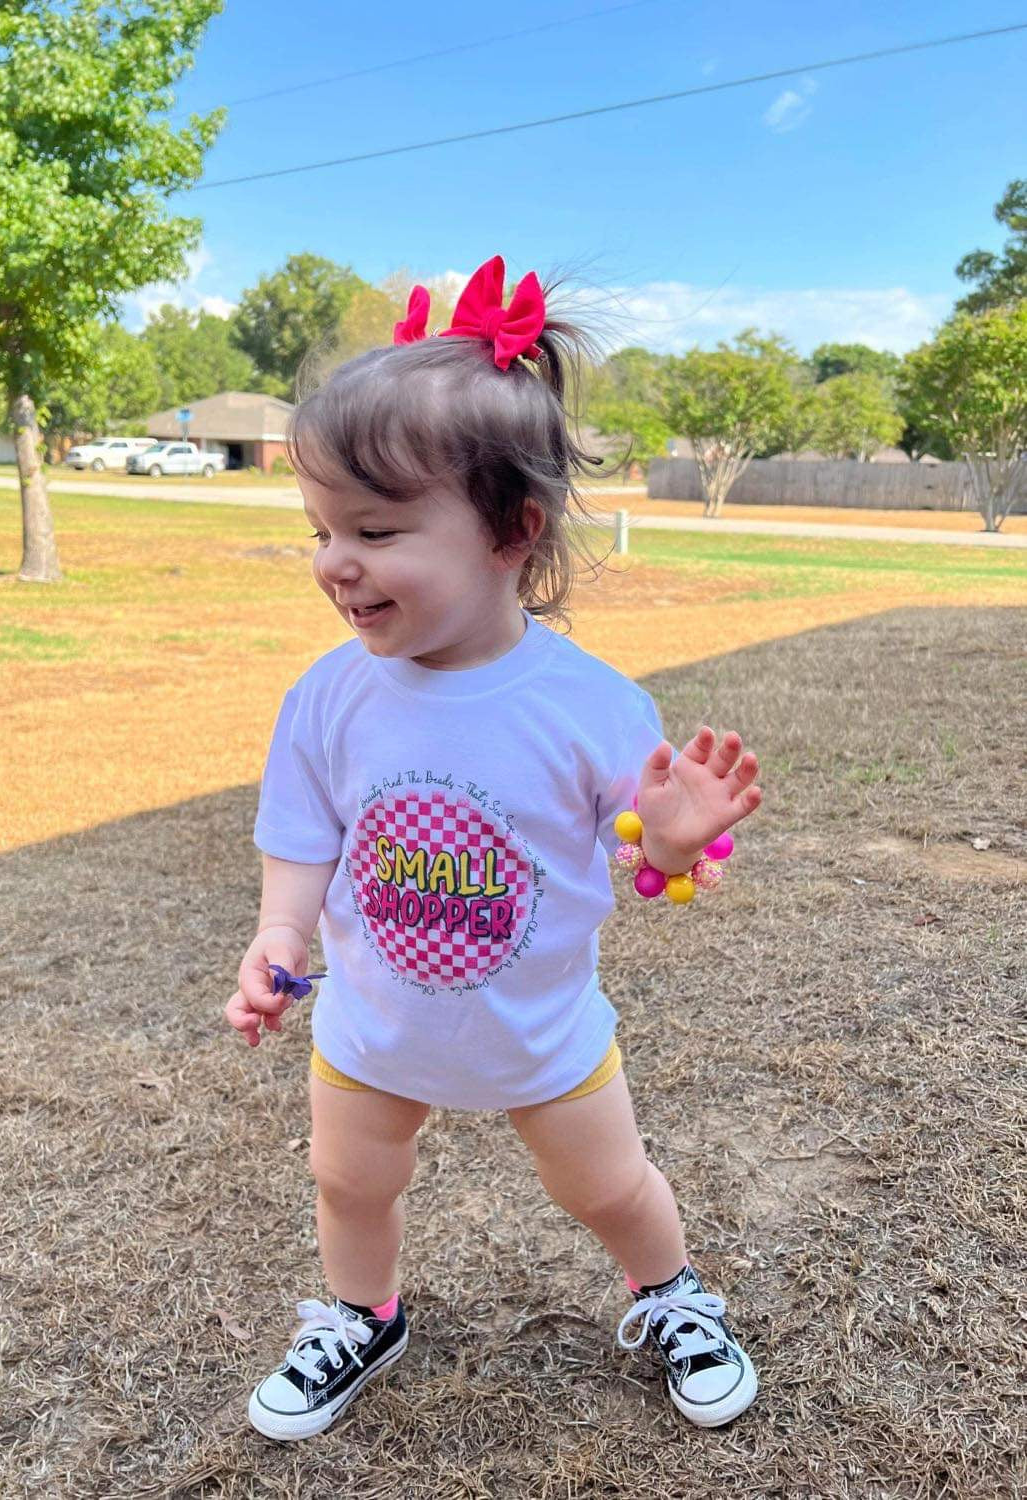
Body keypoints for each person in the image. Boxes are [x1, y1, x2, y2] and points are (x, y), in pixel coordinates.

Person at [225, 255, 763, 1442]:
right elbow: (302, 833)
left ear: (512, 531)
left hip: (542, 1032)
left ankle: (672, 1295)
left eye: (373, 529)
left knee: (608, 1188)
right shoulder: (331, 696)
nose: (334, 563)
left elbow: (656, 852)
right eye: (319, 530)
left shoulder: (586, 703)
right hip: (370, 1028)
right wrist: (277, 933)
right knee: (349, 1183)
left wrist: (671, 840)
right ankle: (363, 1316)